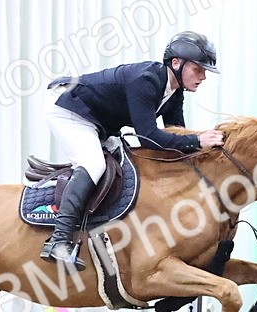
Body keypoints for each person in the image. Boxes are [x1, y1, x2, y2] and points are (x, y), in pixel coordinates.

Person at [41, 31, 226, 272]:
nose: (203, 77)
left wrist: (205, 151)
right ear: (177, 63)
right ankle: (58, 240)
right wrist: (197, 140)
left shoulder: (175, 91)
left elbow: (176, 133)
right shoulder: (146, 80)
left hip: (98, 121)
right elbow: (149, 137)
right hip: (69, 108)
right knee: (93, 163)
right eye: (198, 69)